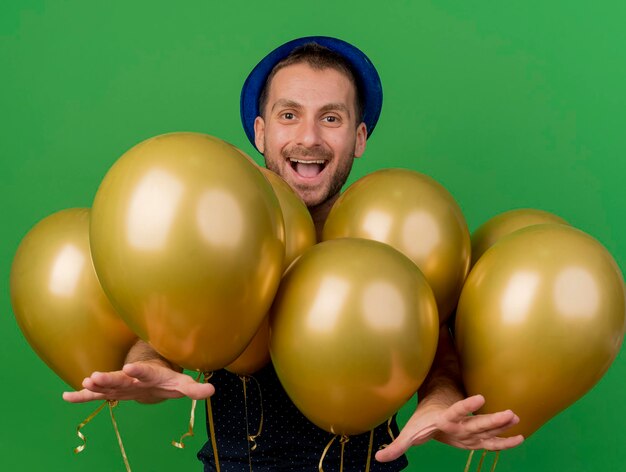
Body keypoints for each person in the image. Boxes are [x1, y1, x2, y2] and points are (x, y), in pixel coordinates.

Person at [64, 36, 524, 470]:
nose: (309, 138)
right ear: (260, 133)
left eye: (331, 118)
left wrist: (440, 400)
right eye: (289, 115)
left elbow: (437, 344)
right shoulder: (214, 229)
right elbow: (170, 322)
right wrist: (149, 364)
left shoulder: (395, 229)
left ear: (359, 137)